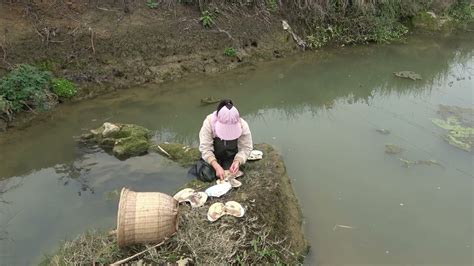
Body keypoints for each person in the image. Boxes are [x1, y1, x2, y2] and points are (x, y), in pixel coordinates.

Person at [188, 99, 253, 181]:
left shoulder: (243, 125)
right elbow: (206, 148)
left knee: (234, 173)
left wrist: (237, 161)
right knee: (207, 175)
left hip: (231, 155)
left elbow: (246, 147)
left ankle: (231, 164)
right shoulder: (209, 123)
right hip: (214, 154)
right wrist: (216, 166)